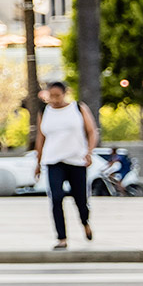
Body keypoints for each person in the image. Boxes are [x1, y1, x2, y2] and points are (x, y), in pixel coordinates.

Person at [34, 78, 96, 249]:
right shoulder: (44, 111)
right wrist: (38, 163)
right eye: (51, 96)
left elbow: (92, 132)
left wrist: (89, 152)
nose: (55, 99)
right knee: (56, 198)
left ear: (65, 93)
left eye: (58, 95)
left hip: (76, 160)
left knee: (80, 199)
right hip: (54, 161)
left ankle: (85, 222)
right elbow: (41, 138)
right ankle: (61, 237)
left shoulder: (77, 108)